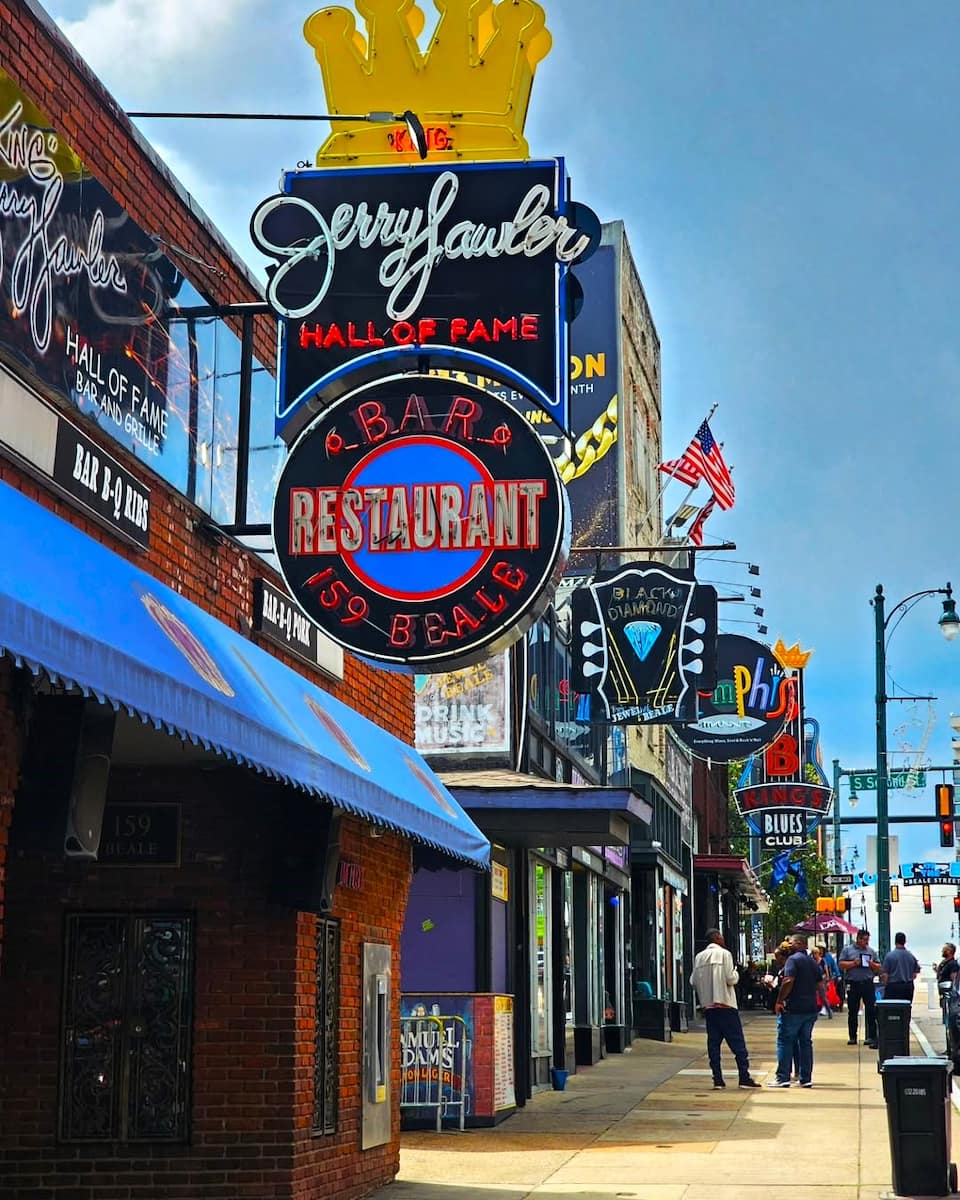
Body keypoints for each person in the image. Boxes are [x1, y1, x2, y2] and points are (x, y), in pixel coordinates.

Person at [690, 929, 760, 1090]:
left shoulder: (699, 957)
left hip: (709, 1007)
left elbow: (693, 981)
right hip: (726, 1005)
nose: (723, 938)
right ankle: (744, 1076)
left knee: (713, 1045)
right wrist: (736, 973)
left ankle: (718, 1079)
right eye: (720, 936)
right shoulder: (724, 954)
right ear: (716, 938)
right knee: (738, 1044)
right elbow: (730, 979)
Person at [768, 933, 822, 1088]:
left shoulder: (793, 960)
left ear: (799, 944)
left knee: (785, 1041)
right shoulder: (812, 962)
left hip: (793, 1008)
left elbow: (789, 980)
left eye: (790, 942)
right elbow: (820, 984)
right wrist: (823, 1004)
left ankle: (783, 1077)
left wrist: (779, 1001)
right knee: (805, 1043)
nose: (787, 945)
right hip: (810, 1009)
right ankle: (805, 1078)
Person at [839, 928, 882, 1047]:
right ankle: (852, 1036)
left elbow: (879, 966)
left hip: (867, 982)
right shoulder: (848, 950)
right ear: (858, 939)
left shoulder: (871, 951)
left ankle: (871, 1036)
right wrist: (854, 963)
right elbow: (841, 964)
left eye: (868, 940)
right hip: (853, 983)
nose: (866, 942)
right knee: (853, 1010)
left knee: (871, 1010)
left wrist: (871, 964)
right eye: (864, 940)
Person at [881, 931, 920, 1002]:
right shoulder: (911, 956)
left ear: (895, 941)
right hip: (908, 987)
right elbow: (915, 974)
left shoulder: (889, 956)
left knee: (892, 1010)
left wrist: (885, 986)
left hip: (893, 987)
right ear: (905, 941)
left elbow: (885, 975)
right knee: (906, 1010)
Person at [812, 945, 833, 1018]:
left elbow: (826, 970)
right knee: (813, 996)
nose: (814, 955)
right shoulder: (811, 961)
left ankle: (829, 1010)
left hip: (822, 979)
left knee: (823, 996)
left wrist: (827, 979)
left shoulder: (822, 961)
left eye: (816, 953)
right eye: (813, 953)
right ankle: (814, 1012)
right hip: (813, 980)